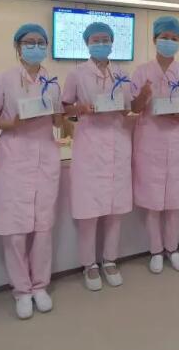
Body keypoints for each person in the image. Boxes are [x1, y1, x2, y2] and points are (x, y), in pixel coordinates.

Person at [0, 24, 62, 319]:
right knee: (15, 231)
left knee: (43, 227)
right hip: (14, 157)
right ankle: (21, 290)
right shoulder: (3, 79)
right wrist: (12, 123)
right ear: (18, 47)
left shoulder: (52, 81)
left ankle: (40, 286)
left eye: (41, 42)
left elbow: (58, 121)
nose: (35, 47)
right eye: (29, 42)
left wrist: (64, 114)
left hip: (46, 156)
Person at [62, 22, 133, 290]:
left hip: (117, 143)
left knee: (115, 209)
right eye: (96, 40)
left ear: (112, 43)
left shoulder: (122, 74)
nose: (101, 44)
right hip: (90, 145)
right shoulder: (77, 73)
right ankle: (89, 264)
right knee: (89, 210)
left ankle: (110, 260)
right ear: (87, 43)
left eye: (106, 39)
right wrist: (80, 108)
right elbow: (64, 107)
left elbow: (127, 108)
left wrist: (137, 101)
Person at [130, 16, 179, 274]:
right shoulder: (141, 72)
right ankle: (156, 251)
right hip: (151, 141)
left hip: (177, 140)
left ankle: (173, 249)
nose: (169, 42)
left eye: (173, 38)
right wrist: (143, 95)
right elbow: (134, 108)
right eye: (164, 37)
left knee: (175, 201)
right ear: (154, 39)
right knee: (153, 200)